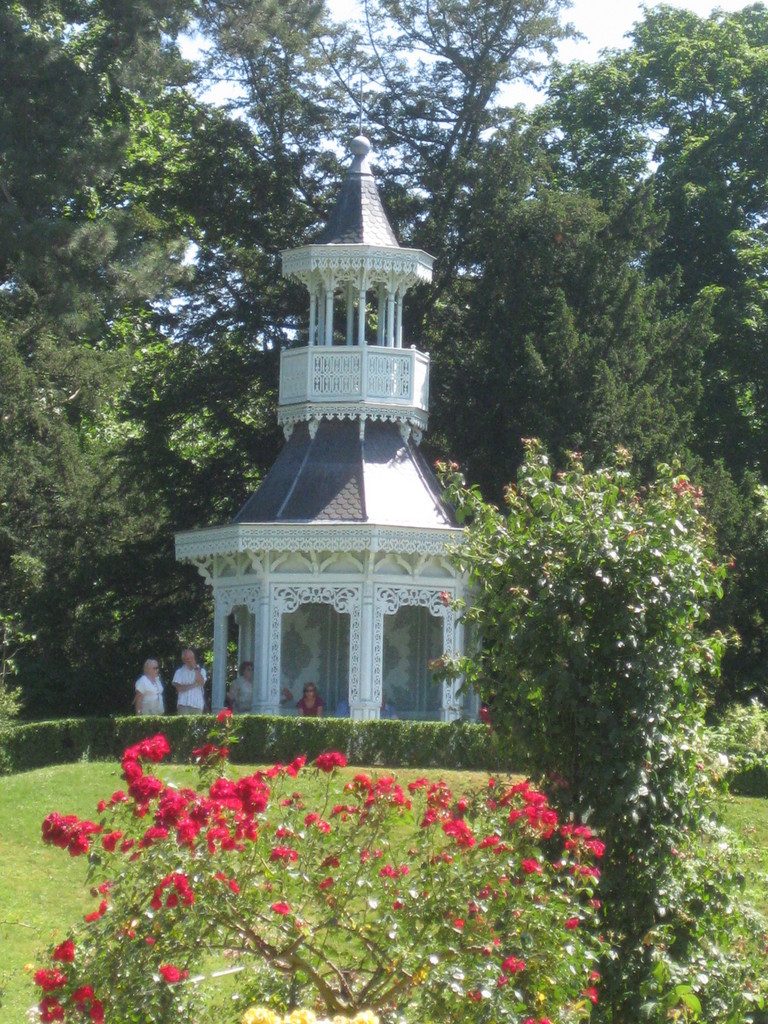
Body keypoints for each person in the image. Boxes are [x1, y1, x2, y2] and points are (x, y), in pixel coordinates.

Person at [172, 647, 207, 715]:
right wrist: (194, 685)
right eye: (187, 659)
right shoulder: (179, 672)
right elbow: (179, 688)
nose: (190, 661)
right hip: (183, 704)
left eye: (191, 658)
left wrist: (195, 669)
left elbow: (201, 682)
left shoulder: (201, 671)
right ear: (183, 660)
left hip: (197, 705)